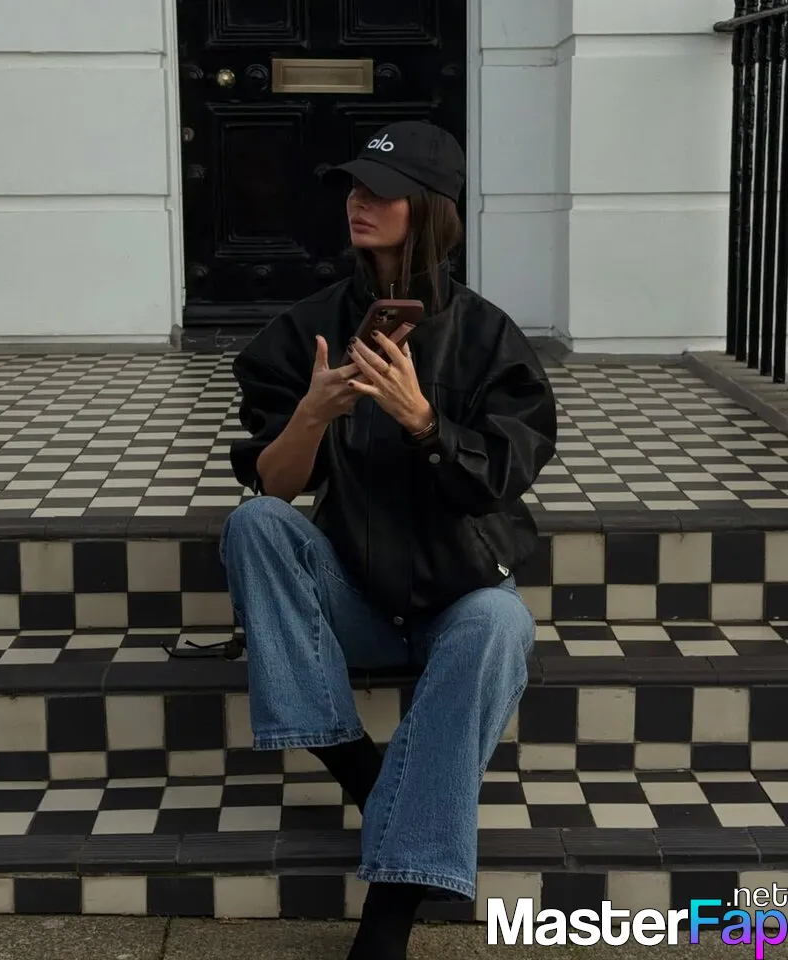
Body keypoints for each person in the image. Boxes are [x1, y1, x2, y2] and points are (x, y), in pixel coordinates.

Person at [220, 120, 557, 960]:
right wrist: (311, 414)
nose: (358, 203)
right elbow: (274, 487)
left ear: (430, 208)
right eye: (354, 186)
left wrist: (423, 422)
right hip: (356, 595)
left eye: (383, 191)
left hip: (458, 593)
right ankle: (362, 772)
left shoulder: (489, 339)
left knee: (502, 624)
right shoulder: (308, 330)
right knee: (255, 525)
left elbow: (499, 480)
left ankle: (389, 912)